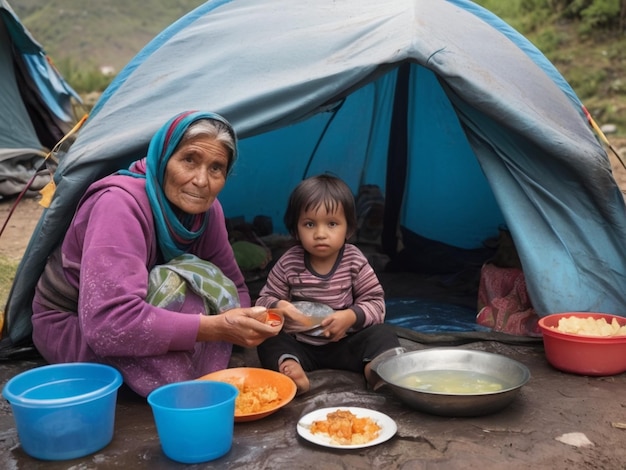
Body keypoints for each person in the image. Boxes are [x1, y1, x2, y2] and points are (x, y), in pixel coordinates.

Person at [31, 110, 281, 397]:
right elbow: (108, 323)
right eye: (189, 160)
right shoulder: (118, 205)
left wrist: (254, 317)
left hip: (150, 312)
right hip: (76, 325)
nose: (201, 180)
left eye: (216, 168)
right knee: (181, 308)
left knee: (203, 283)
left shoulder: (207, 212)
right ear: (163, 159)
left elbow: (233, 286)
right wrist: (217, 328)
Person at [255, 174, 401, 394]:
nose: (320, 234)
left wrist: (351, 316)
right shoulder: (289, 262)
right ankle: (292, 372)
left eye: (332, 224)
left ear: (349, 229)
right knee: (268, 340)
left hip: (346, 343)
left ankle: (376, 372)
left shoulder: (354, 260)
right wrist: (279, 306)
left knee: (383, 333)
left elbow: (376, 304)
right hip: (301, 345)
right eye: (309, 224)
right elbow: (263, 300)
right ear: (295, 229)